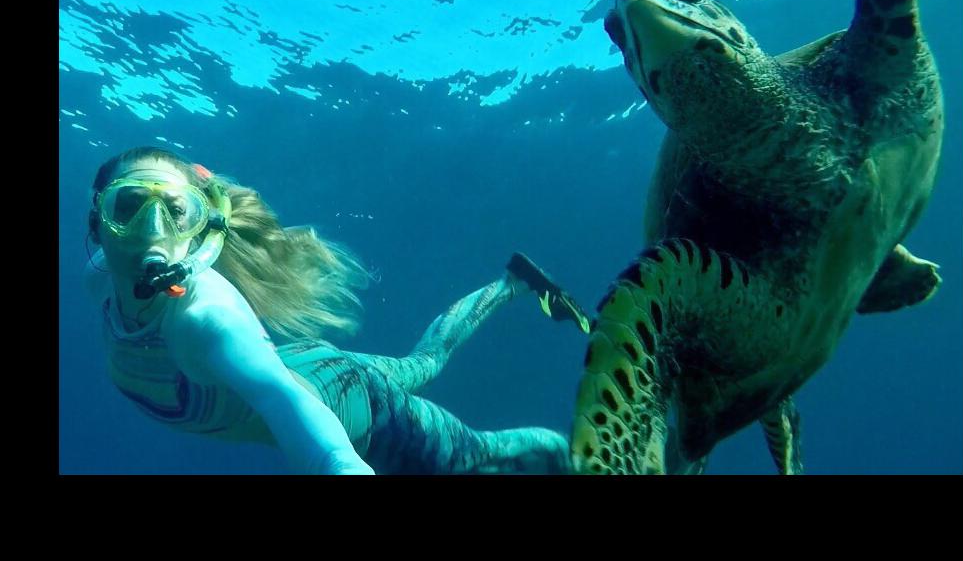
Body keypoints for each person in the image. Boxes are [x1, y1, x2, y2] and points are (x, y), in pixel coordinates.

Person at [83, 146, 590, 475]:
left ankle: (566, 453)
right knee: (423, 363)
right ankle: (514, 283)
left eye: (175, 211)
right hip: (314, 363)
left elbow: (285, 402)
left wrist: (340, 466)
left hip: (358, 413)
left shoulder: (203, 318)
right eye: (127, 208)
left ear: (199, 226)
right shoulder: (104, 271)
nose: (152, 231)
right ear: (99, 223)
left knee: (478, 453)